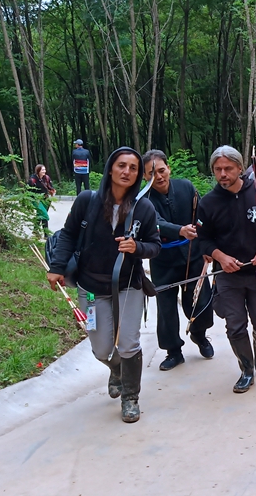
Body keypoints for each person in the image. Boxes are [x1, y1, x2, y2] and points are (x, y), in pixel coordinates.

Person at [47, 147, 161, 423]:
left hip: (128, 285)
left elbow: (155, 246)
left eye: (133, 168)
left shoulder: (144, 208)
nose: (127, 172)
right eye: (121, 165)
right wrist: (57, 267)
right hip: (90, 288)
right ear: (110, 168)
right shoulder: (87, 201)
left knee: (129, 343)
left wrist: (137, 247)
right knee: (101, 348)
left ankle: (130, 397)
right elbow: (68, 235)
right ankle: (117, 369)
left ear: (138, 175)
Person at [196, 146, 256, 393]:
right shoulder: (208, 202)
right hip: (228, 276)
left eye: (228, 168)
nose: (223, 174)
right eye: (217, 169)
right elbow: (203, 239)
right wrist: (220, 257)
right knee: (234, 326)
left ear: (240, 168)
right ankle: (246, 370)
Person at [143, 150, 215, 371]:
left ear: (169, 168)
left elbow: (201, 216)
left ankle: (199, 334)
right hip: (162, 259)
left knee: (201, 300)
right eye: (151, 174)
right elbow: (155, 222)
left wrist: (207, 245)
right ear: (145, 177)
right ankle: (173, 351)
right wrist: (179, 230)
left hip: (193, 254)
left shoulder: (186, 187)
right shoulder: (143, 200)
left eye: (161, 170)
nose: (158, 177)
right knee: (165, 308)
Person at [27, 164, 55, 236]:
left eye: (44, 169)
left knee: (40, 215)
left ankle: (36, 231)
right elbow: (28, 192)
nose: (44, 171)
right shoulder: (32, 180)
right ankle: (46, 234)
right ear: (38, 171)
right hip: (36, 200)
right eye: (42, 170)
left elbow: (50, 187)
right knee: (44, 214)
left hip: (45, 199)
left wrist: (52, 191)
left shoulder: (46, 178)